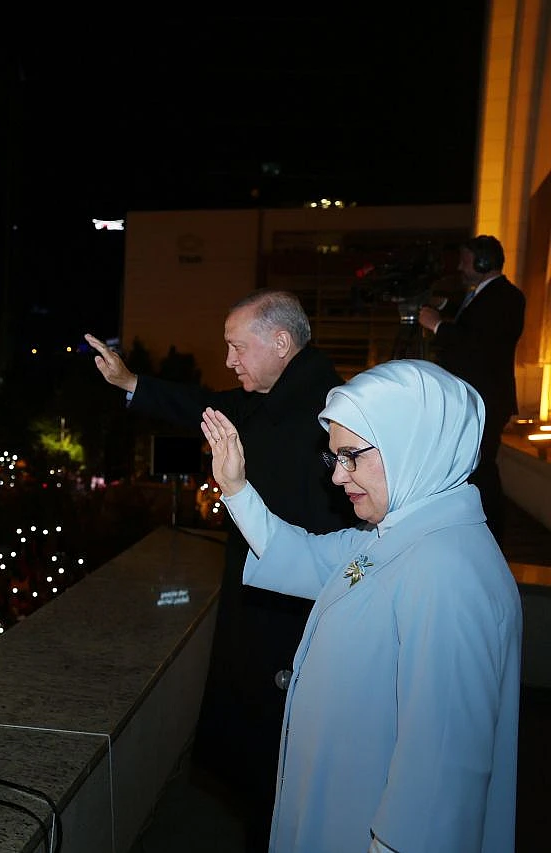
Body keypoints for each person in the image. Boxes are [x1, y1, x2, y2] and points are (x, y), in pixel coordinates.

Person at [201, 359, 521, 853]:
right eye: (335, 458)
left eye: (351, 456)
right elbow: (303, 555)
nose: (337, 477)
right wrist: (237, 488)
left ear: (412, 445)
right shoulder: (400, 533)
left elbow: (439, 783)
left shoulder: (448, 573)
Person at [85, 289, 355, 849]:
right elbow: (203, 406)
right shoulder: (273, 396)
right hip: (262, 597)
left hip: (295, 613)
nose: (229, 361)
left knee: (277, 752)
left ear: (282, 343)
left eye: (237, 347)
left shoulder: (328, 413)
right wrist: (131, 383)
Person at [416, 235, 525, 542]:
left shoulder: (507, 297)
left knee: (481, 469)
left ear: (483, 262)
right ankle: (472, 532)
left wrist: (438, 326)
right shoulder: (483, 295)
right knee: (472, 468)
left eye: (465, 261)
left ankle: (491, 536)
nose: (461, 268)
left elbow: (480, 344)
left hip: (487, 400)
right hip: (475, 398)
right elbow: (473, 327)